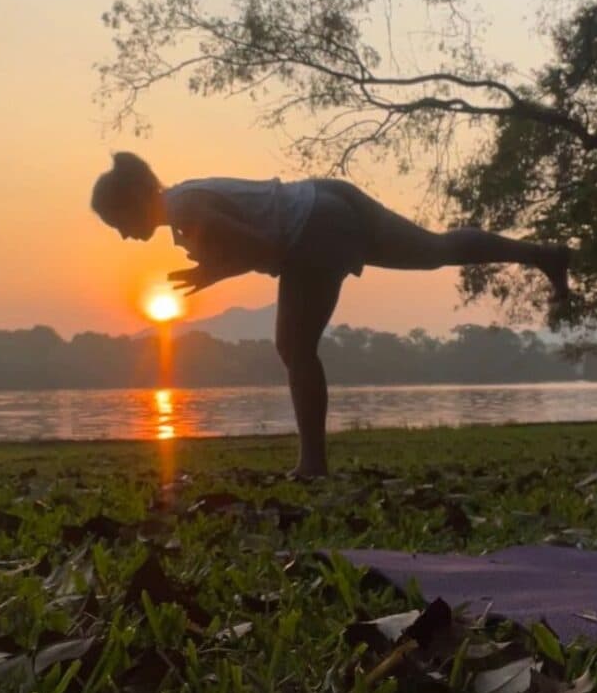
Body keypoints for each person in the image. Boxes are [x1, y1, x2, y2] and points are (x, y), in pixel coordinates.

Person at [91, 152, 570, 477]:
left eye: (116, 223)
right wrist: (215, 272)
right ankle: (541, 254)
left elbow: (271, 246)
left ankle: (313, 465)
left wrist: (216, 271)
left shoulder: (184, 211)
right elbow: (257, 240)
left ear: (133, 200)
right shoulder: (186, 198)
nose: (120, 235)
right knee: (434, 249)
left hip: (315, 223)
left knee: (294, 348)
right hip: (326, 197)